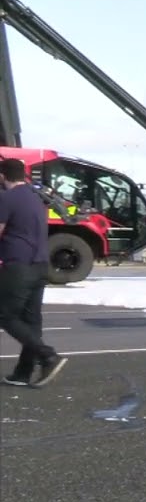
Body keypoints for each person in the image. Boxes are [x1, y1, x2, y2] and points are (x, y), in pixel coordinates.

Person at [0, 158, 67, 388]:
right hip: (40, 265)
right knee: (31, 321)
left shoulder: (6, 198)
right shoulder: (35, 197)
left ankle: (48, 355)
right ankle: (23, 372)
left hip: (18, 265)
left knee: (5, 315)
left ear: (2, 176)